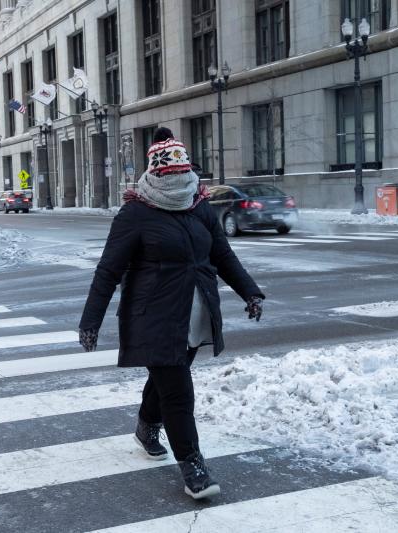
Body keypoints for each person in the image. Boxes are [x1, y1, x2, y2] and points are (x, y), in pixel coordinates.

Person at [78, 131, 264, 500]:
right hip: (154, 315)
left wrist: (250, 291)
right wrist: (90, 321)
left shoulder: (200, 206)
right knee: (178, 391)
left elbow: (223, 256)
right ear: (159, 176)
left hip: (196, 312)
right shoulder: (136, 213)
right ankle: (193, 465)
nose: (182, 184)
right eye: (175, 178)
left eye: (186, 176)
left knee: (167, 379)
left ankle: (147, 424)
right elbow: (108, 270)